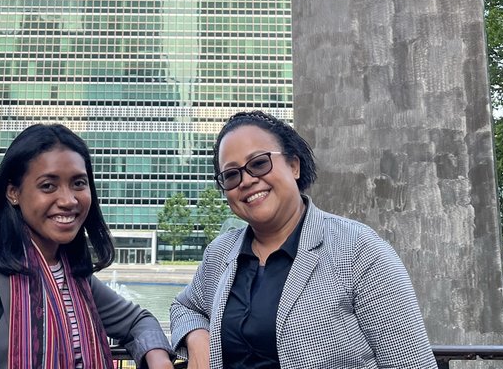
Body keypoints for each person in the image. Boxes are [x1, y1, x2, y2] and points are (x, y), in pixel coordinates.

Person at [170, 111, 437, 368]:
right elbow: (185, 307)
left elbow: (411, 362)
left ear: (294, 165)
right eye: (231, 175)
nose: (247, 180)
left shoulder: (358, 250)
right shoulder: (220, 253)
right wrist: (197, 339)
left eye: (259, 163)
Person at [0, 123, 174, 369]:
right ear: (13, 193)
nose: (69, 200)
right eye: (48, 185)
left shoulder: (77, 280)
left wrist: (157, 357)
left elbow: (139, 322)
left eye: (79, 183)